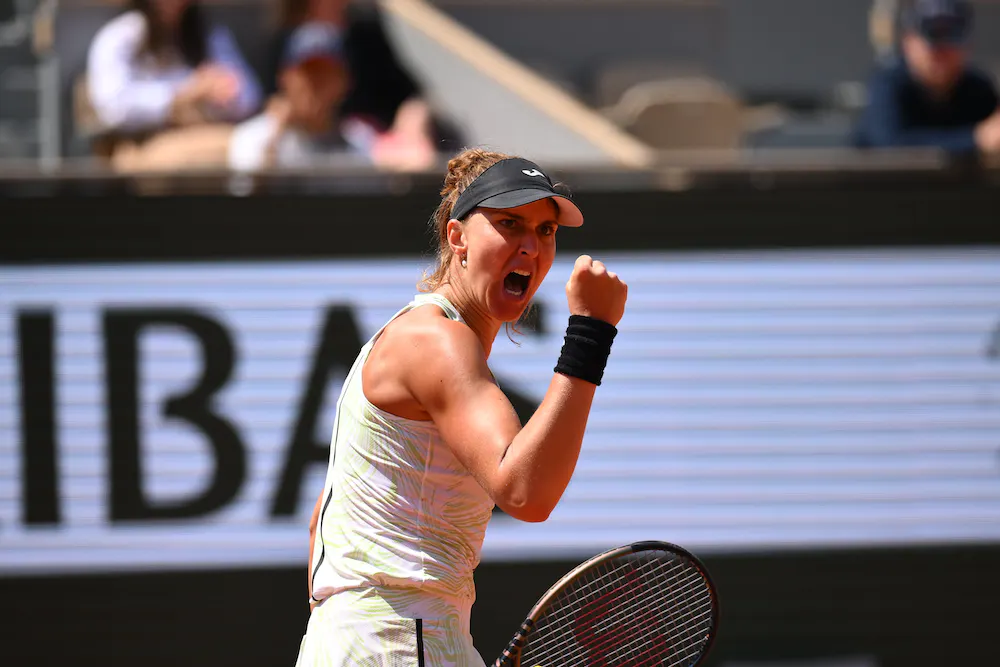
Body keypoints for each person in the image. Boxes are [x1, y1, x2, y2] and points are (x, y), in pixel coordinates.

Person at [296, 148, 627, 666]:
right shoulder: (438, 340)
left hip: (352, 642)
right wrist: (591, 333)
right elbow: (526, 492)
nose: (530, 246)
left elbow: (323, 521)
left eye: (545, 231)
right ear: (458, 238)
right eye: (510, 223)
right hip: (400, 641)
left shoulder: (412, 332)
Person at [85, 0, 262, 169]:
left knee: (254, 146)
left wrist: (223, 90)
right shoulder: (121, 35)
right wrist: (184, 94)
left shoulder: (207, 34)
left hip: (207, 133)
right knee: (242, 149)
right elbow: (112, 107)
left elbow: (250, 96)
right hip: (142, 143)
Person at [854, 0, 1000, 155]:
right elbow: (890, 145)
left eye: (952, 36)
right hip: (880, 180)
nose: (942, 50)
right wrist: (974, 139)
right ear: (908, 42)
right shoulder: (888, 83)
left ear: (968, 46)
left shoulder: (979, 89)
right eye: (933, 35)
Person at [227, 21, 354, 171]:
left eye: (324, 74)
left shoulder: (359, 141)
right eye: (306, 73)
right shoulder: (253, 137)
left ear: (343, 82)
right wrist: (276, 136)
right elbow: (252, 191)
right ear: (285, 78)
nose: (314, 84)